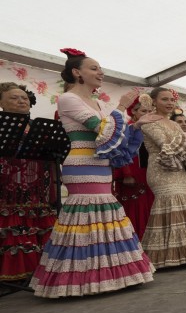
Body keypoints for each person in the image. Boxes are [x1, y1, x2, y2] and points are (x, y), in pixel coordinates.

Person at [31, 50, 155, 297]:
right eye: (94, 68)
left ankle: (111, 276)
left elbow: (114, 135)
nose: (101, 73)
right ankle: (81, 280)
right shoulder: (68, 99)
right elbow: (101, 129)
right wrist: (121, 106)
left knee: (104, 216)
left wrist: (137, 125)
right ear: (77, 72)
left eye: (100, 68)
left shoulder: (98, 103)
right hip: (81, 162)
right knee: (86, 218)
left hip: (101, 164)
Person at [139, 87, 186, 269]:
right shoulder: (148, 122)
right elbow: (166, 146)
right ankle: (164, 256)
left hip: (177, 170)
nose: (170, 103)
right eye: (165, 99)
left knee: (182, 205)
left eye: (172, 100)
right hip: (160, 170)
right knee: (171, 203)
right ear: (153, 101)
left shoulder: (172, 124)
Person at [0, 83, 59, 283]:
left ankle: (42, 269)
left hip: (36, 184)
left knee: (40, 220)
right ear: (1, 103)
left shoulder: (36, 126)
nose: (21, 101)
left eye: (24, 97)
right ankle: (15, 273)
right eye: (14, 98)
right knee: (13, 221)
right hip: (8, 187)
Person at [112, 93, 155, 241]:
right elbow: (120, 151)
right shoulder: (128, 128)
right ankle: (134, 241)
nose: (147, 115)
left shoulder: (152, 130)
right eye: (143, 111)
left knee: (148, 206)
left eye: (150, 111)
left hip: (148, 173)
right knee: (135, 207)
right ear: (134, 112)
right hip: (133, 173)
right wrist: (127, 174)